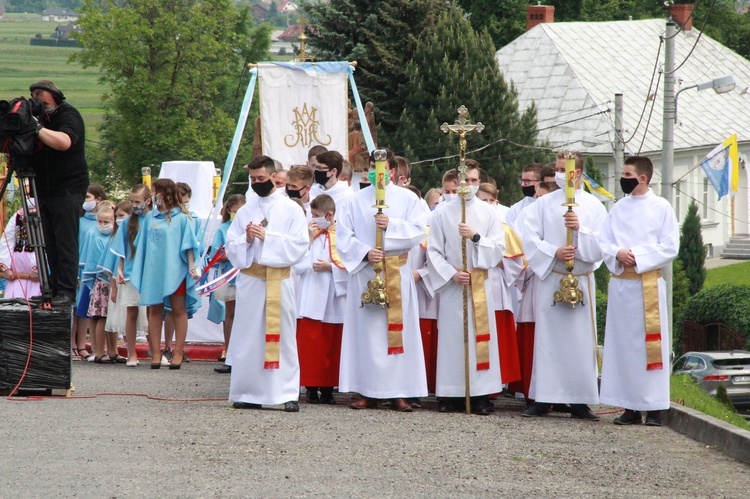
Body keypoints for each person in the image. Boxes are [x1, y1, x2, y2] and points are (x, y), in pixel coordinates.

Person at [336, 149, 428, 412]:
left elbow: (418, 230)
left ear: (393, 172)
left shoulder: (409, 199)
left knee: (397, 335)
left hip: (396, 271)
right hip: (366, 272)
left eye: (383, 169)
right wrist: (365, 252)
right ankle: (368, 390)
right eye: (373, 169)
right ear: (366, 172)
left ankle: (399, 392)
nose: (378, 174)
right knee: (367, 335)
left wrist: (392, 225)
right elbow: (342, 236)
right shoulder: (353, 201)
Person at [521, 152, 607, 421]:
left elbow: (602, 247)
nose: (558, 173)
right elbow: (528, 239)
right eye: (557, 168)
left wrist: (579, 230)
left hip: (580, 279)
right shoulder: (543, 204)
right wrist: (553, 251)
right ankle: (544, 397)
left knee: (580, 343)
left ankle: (579, 401)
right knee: (548, 342)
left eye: (564, 169)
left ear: (578, 173)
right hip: (551, 277)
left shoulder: (594, 207)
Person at [598, 156, 679, 427]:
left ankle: (654, 408)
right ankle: (629, 407)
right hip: (622, 286)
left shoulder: (661, 207)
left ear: (642, 178)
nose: (623, 177)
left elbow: (670, 246)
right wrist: (618, 252)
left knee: (650, 347)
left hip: (648, 285)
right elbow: (603, 241)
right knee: (624, 347)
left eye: (627, 173)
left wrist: (638, 255)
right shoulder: (618, 208)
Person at [226, 156, 309, 412]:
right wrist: (247, 240)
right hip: (251, 280)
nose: (256, 183)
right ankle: (247, 392)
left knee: (282, 336)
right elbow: (231, 245)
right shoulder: (246, 210)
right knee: (248, 335)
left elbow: (300, 245)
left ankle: (286, 393)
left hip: (279, 280)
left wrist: (268, 237)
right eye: (252, 179)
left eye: (260, 178)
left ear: (274, 177)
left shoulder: (291, 208)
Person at [427, 173, 506, 415]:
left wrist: (475, 237)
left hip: (478, 283)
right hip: (454, 285)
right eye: (464, 180)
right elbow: (433, 251)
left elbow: (499, 248)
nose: (468, 185)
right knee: (453, 338)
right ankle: (451, 393)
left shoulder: (489, 212)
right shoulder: (441, 212)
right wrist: (451, 273)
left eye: (473, 180)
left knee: (478, 338)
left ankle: (481, 394)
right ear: (455, 182)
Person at [27, 80, 89, 307]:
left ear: (56, 98)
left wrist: (37, 129)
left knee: (65, 241)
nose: (42, 107)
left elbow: (64, 142)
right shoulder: (39, 118)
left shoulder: (68, 115)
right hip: (45, 188)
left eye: (45, 102)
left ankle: (66, 290)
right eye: (37, 102)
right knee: (49, 242)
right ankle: (52, 287)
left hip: (68, 188)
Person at [130, 178, 201, 370]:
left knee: (178, 310)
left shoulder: (183, 218)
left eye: (155, 192)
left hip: (175, 269)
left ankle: (178, 352)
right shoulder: (150, 218)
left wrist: (193, 266)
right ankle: (155, 352)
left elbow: (190, 245)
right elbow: (142, 245)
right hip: (154, 270)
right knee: (154, 310)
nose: (153, 196)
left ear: (164, 194)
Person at [507, 179, 558, 401]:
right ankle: (531, 391)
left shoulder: (560, 215)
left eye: (543, 198)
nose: (538, 202)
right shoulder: (526, 215)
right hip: (534, 279)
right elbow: (518, 246)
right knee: (532, 334)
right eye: (537, 198)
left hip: (558, 279)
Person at [294, 194, 347, 404]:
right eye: (311, 215)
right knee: (310, 343)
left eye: (316, 215)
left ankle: (328, 388)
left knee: (331, 343)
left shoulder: (342, 234)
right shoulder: (309, 232)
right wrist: (307, 239)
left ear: (329, 214)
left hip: (334, 295)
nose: (313, 219)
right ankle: (310, 386)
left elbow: (351, 264)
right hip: (311, 292)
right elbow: (296, 263)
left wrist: (331, 267)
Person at [111, 184, 152, 367]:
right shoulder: (128, 222)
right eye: (132, 201)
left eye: (138, 201)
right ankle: (132, 353)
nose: (135, 205)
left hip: (151, 274)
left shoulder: (154, 219)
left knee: (153, 314)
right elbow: (121, 250)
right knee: (131, 313)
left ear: (148, 201)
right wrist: (119, 270)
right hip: (130, 273)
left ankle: (155, 351)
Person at [211, 194, 247, 374]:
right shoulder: (223, 229)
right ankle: (229, 351)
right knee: (230, 314)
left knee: (246, 315)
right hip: (230, 276)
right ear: (229, 211)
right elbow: (217, 255)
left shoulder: (248, 228)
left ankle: (245, 355)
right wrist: (230, 253)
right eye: (235, 212)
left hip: (247, 276)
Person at [80, 201, 117, 363]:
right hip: (100, 281)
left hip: (112, 281)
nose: (102, 225)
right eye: (100, 221)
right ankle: (99, 351)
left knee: (111, 317)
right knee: (100, 316)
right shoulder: (93, 235)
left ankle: (112, 350)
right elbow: (91, 258)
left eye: (106, 222)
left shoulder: (115, 237)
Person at [0, 196, 41, 300]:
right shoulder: (17, 216)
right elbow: (7, 240)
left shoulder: (45, 214)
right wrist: (6, 267)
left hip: (38, 277)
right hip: (17, 277)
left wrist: (38, 267)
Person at [505, 163, 542, 231]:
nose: (523, 184)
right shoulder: (515, 209)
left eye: (527, 181)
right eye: (522, 180)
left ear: (540, 182)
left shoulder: (550, 204)